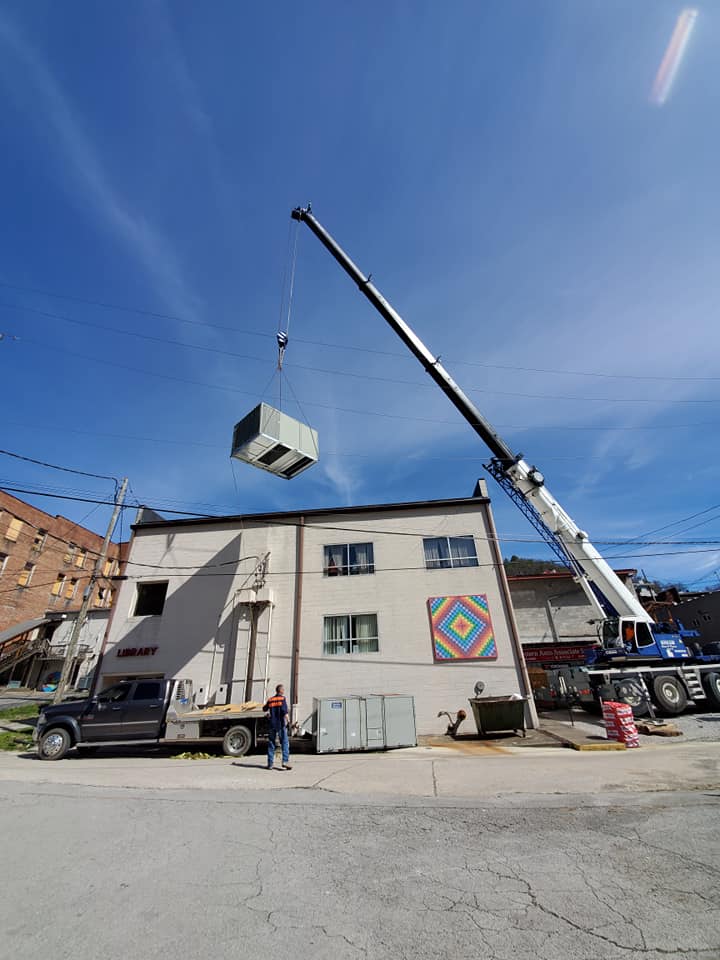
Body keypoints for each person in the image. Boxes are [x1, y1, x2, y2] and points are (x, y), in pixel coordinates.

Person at [263, 683, 292, 770]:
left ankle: (270, 764)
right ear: (281, 690)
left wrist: (268, 713)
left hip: (272, 724)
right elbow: (284, 711)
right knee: (285, 743)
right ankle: (285, 762)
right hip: (280, 724)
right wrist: (288, 720)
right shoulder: (282, 699)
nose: (284, 691)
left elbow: (264, 709)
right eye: (283, 689)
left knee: (271, 743)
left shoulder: (271, 699)